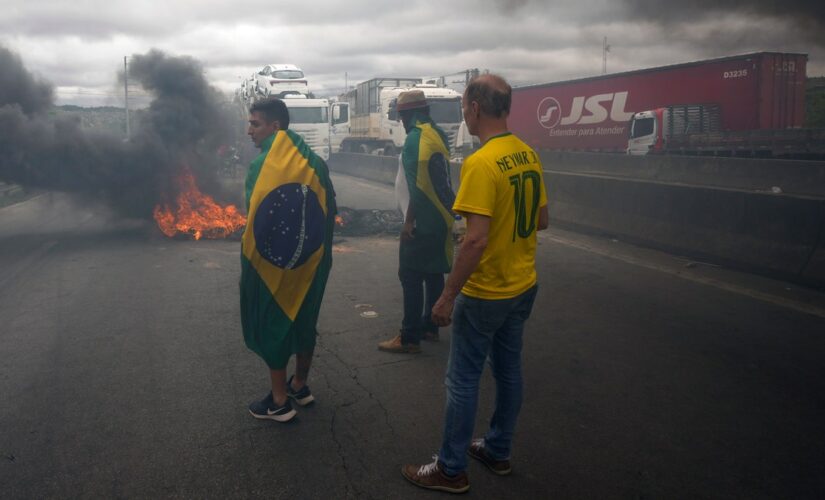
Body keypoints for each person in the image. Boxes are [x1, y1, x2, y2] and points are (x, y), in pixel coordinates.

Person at [401, 75, 549, 493]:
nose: (464, 113)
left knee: (462, 380)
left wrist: (448, 296)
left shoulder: (481, 163)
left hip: (487, 292)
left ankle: (450, 468)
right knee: (508, 372)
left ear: (475, 109)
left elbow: (476, 239)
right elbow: (541, 220)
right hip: (523, 284)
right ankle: (498, 450)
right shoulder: (527, 154)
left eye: (465, 105)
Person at [241, 97, 337, 422]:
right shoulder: (316, 163)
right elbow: (329, 212)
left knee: (274, 324)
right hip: (313, 262)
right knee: (305, 320)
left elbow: (255, 221)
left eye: (254, 124)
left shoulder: (261, 167)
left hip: (274, 266)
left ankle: (279, 401)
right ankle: (300, 385)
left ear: (274, 126)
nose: (248, 131)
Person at [378, 89, 455, 354]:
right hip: (441, 218)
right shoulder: (437, 134)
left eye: (400, 116)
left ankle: (409, 337)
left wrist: (408, 222)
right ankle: (429, 327)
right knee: (433, 274)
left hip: (423, 219)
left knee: (410, 276)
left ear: (406, 114)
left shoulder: (415, 140)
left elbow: (418, 188)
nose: (400, 121)